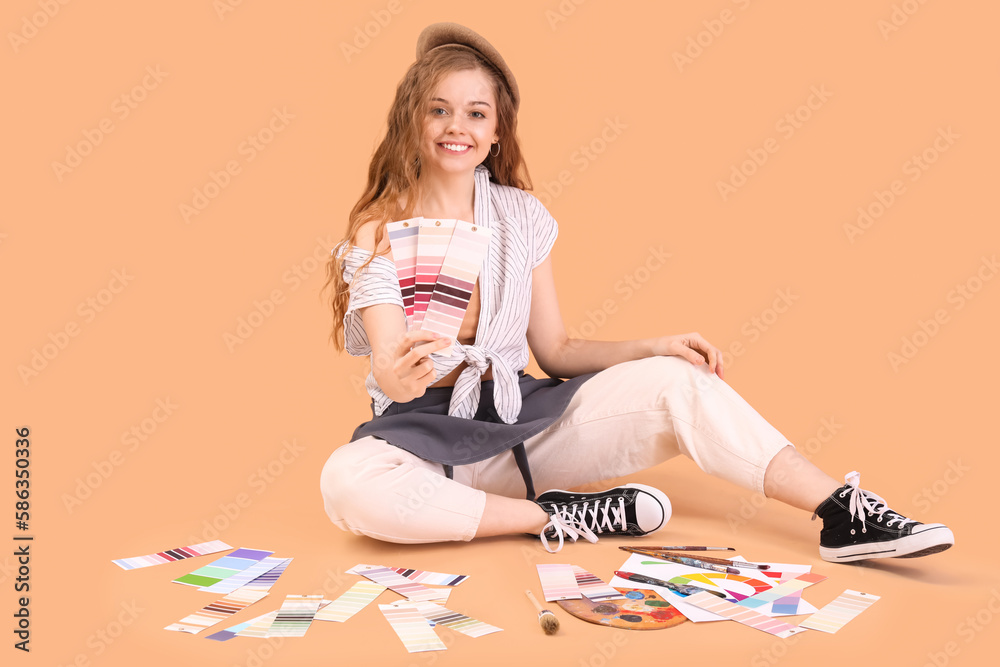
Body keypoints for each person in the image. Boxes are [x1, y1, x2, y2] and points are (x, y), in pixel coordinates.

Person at [319, 22, 954, 561]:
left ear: (495, 133)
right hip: (424, 441)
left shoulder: (521, 217)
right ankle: (554, 518)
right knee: (346, 484)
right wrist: (399, 377)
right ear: (412, 118)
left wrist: (656, 346)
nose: (457, 126)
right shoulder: (379, 234)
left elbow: (557, 351)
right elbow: (387, 363)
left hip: (522, 426)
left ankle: (842, 513)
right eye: (439, 108)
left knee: (680, 380)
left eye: (476, 113)